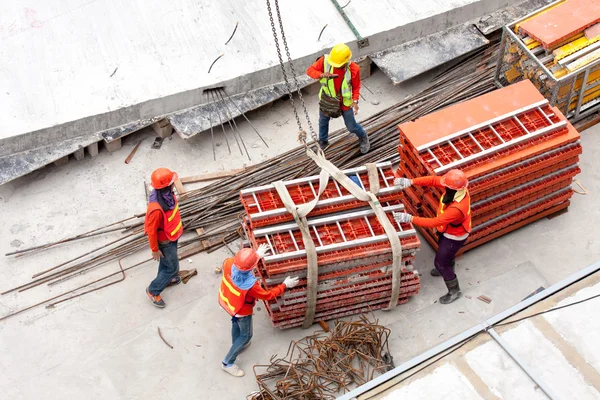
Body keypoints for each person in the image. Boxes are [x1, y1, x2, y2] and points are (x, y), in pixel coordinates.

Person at [218, 244, 299, 377]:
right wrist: (284, 285)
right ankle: (228, 363)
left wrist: (256, 256)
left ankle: (236, 344)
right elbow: (268, 295)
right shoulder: (250, 286)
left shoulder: (228, 263)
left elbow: (242, 266)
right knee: (246, 336)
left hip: (230, 303)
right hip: (242, 310)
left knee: (235, 324)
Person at [393, 169, 471, 305]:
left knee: (440, 263)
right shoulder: (457, 189)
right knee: (446, 255)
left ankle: (454, 290)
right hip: (447, 231)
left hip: (454, 236)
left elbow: (435, 222)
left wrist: (410, 218)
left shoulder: (457, 209)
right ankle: (448, 267)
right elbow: (434, 180)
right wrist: (411, 181)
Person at [306, 43, 370, 154]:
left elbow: (356, 86)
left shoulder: (354, 69)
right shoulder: (325, 61)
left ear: (345, 62)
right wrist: (321, 74)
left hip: (345, 103)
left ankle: (363, 136)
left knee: (351, 126)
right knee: (323, 121)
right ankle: (323, 142)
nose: (335, 66)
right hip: (328, 99)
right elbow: (310, 71)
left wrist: (355, 101)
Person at [143, 168, 183, 308]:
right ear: (166, 186)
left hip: (172, 236)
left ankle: (166, 279)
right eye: (172, 182)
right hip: (164, 241)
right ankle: (153, 290)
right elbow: (151, 231)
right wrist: (154, 249)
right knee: (172, 268)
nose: (174, 184)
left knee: (167, 263)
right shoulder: (156, 209)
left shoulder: (167, 195)